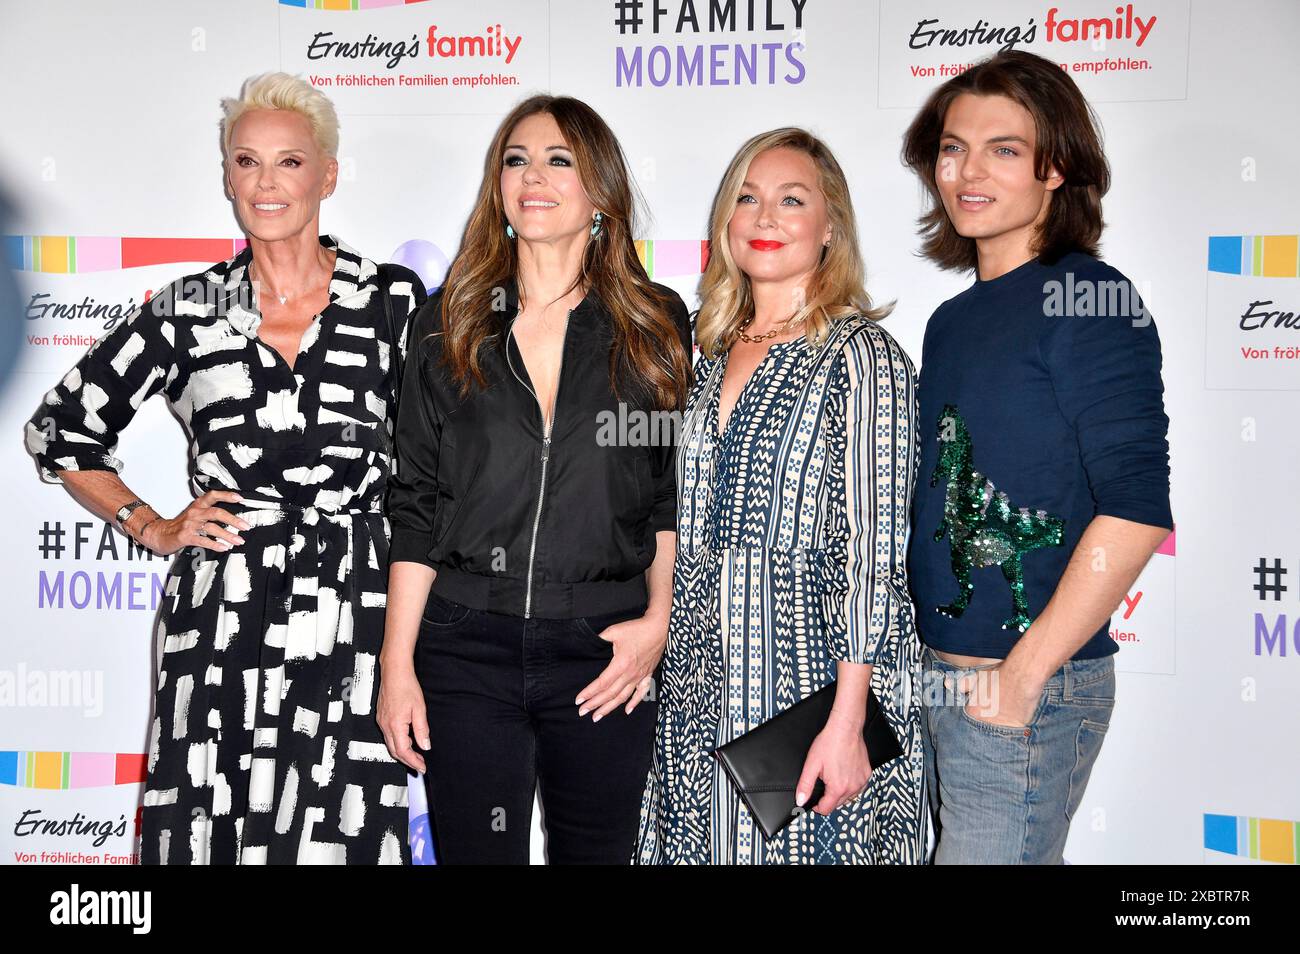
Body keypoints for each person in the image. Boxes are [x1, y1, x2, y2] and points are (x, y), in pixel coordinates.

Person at [24, 72, 423, 864]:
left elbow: (437, 468)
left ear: (328, 175)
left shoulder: (392, 301)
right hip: (221, 613)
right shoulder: (188, 308)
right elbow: (61, 431)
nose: (266, 183)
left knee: (341, 831)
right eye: (247, 162)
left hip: (355, 609)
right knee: (209, 826)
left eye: (289, 162)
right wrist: (154, 525)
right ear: (227, 178)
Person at [377, 94, 693, 865]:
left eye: (560, 160)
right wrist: (396, 667)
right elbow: (415, 502)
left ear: (600, 191)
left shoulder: (653, 320)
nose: (534, 177)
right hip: (463, 649)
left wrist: (658, 622)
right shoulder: (447, 318)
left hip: (603, 647)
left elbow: (664, 497)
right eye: (516, 159)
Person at [901, 49, 1174, 864]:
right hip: (934, 680)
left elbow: (1134, 511)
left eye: (1003, 149)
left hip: (1027, 691)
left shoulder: (1088, 300)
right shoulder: (951, 320)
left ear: (1056, 167)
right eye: (953, 148)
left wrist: (1019, 681)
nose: (968, 171)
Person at [635, 128, 926, 864]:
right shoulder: (705, 356)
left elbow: (873, 548)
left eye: (791, 200)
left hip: (812, 694)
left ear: (830, 226)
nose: (765, 218)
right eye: (748, 199)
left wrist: (849, 718)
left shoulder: (862, 356)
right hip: (699, 695)